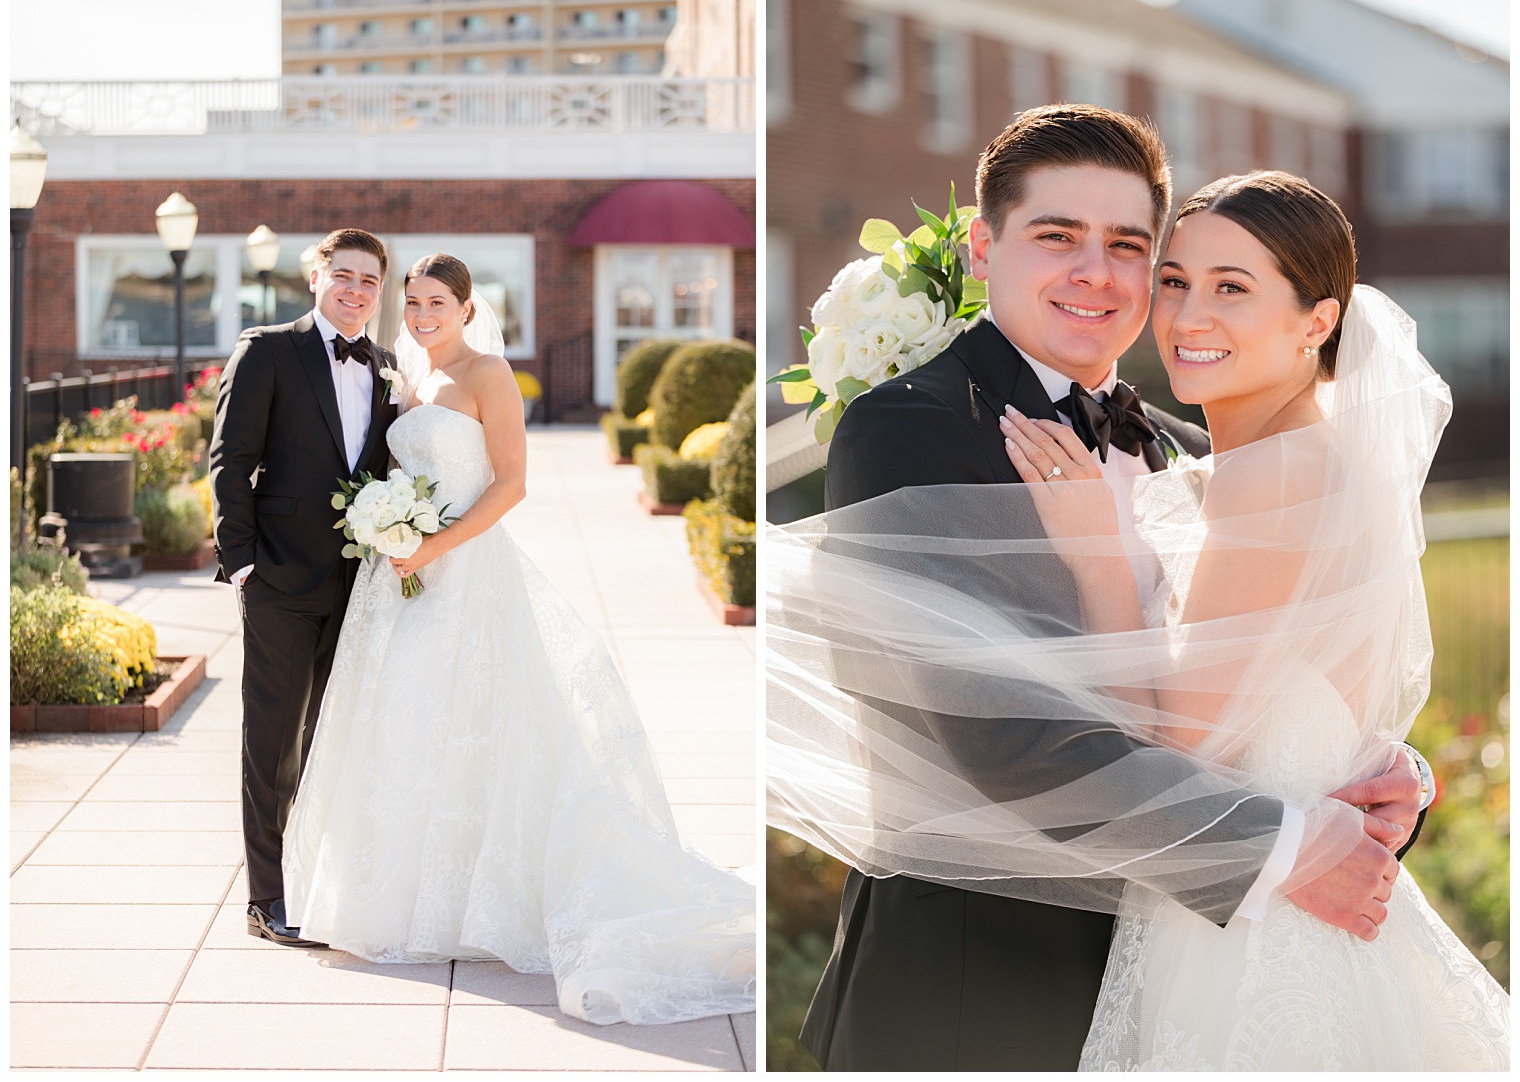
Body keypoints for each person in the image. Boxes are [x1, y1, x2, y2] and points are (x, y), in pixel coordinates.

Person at [769, 106, 1432, 1071]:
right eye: (1057, 237)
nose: (1097, 272)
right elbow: (1000, 733)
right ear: (983, 246)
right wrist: (1290, 849)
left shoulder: (1188, 448)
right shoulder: (910, 428)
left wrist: (1378, 783)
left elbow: (1258, 687)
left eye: (1128, 246)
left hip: (1196, 977)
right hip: (975, 987)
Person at [1012, 171, 1508, 1068]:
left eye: (1232, 288)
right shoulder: (1313, 455)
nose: (1187, 316)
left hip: (1256, 933)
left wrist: (1095, 552)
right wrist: (1407, 774)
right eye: (1175, 280)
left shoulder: (1269, 474)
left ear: (1318, 321)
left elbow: (1174, 739)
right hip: (1285, 894)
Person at [281, 254, 756, 1026]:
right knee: (405, 728)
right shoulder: (409, 379)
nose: (422, 313)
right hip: (400, 582)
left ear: (468, 308)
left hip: (465, 577)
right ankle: (406, 905)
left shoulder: (487, 374)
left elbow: (511, 483)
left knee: (478, 729)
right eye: (414, 302)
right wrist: (389, 524)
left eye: (437, 302)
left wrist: (432, 545)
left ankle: (483, 904)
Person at [211, 228, 400, 948]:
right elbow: (229, 460)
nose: (356, 290)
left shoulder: (384, 367)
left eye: (369, 282)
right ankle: (266, 899)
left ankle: (317, 883)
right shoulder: (267, 349)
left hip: (358, 586)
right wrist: (246, 562)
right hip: (280, 581)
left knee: (329, 741)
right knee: (272, 742)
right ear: (316, 275)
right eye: (344, 275)